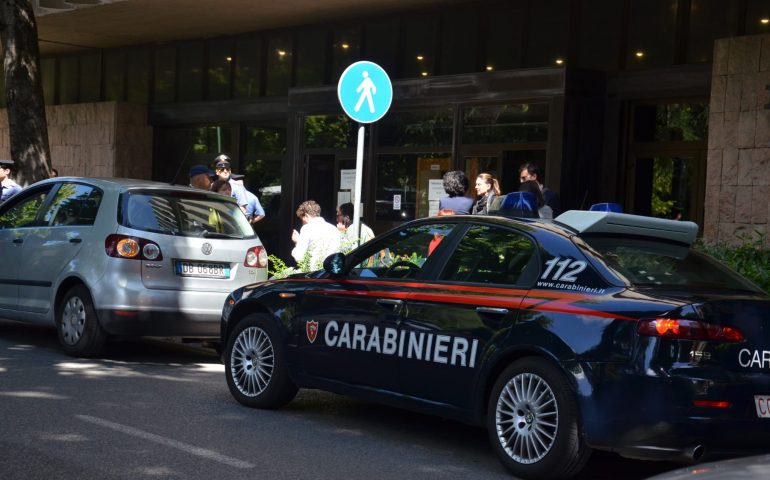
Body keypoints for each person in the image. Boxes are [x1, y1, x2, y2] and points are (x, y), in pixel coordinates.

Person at [292, 200, 341, 270]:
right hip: (331, 272)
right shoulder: (334, 229)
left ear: (306, 215)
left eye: (302, 220)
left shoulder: (307, 228)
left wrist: (297, 242)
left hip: (313, 274)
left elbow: (300, 258)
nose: (302, 223)